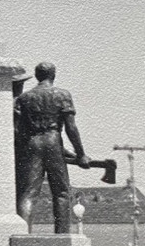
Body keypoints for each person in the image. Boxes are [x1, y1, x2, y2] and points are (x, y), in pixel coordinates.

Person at [15, 61, 90, 234]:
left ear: (37, 76)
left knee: (28, 193)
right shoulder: (62, 95)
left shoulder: (24, 98)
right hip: (53, 140)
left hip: (31, 143)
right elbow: (71, 128)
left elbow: (19, 131)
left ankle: (23, 235)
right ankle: (62, 235)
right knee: (61, 192)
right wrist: (81, 154)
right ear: (53, 75)